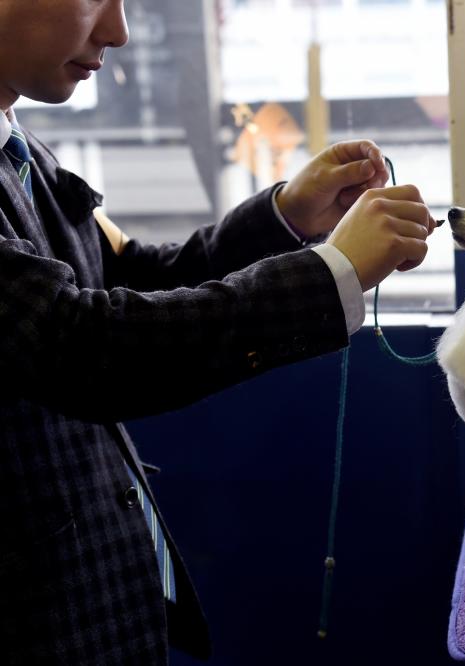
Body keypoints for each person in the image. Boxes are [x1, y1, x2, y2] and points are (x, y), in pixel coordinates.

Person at [0, 0, 437, 663]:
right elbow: (81, 344)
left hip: (90, 609)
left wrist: (286, 218)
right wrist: (331, 275)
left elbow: (125, 281)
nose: (117, 31)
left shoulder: (19, 147)